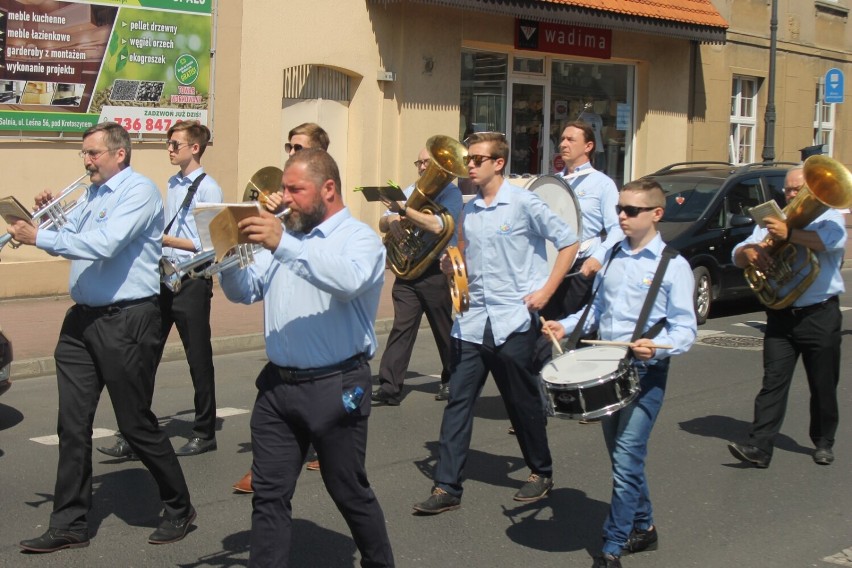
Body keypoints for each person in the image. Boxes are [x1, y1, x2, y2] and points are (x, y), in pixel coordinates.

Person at [10, 122, 195, 552]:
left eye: (93, 153)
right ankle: (70, 522)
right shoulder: (91, 194)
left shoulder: (139, 192)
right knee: (72, 425)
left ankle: (179, 505)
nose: (87, 161)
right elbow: (70, 241)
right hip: (82, 322)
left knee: (134, 422)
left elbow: (105, 244)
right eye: (84, 154)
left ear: (119, 155)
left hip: (127, 318)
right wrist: (51, 216)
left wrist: (39, 235)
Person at [218, 148, 395, 567]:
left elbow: (348, 280)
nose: (285, 197)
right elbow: (246, 292)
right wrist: (227, 255)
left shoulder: (359, 239)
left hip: (335, 384)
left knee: (347, 490)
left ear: (327, 189)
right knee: (269, 494)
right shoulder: (284, 236)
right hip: (279, 387)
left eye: (295, 189)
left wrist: (282, 243)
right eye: (284, 188)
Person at [412, 131, 579, 515]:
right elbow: (466, 254)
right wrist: (452, 266)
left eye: (476, 159)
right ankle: (447, 487)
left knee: (520, 401)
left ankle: (541, 469)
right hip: (470, 321)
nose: (468, 165)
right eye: (468, 159)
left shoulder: (523, 203)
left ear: (498, 163)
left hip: (512, 319)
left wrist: (546, 292)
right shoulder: (468, 210)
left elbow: (569, 242)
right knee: (458, 402)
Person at [543, 179, 697, 568]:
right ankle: (644, 527)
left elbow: (685, 329)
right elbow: (597, 311)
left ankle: (612, 547)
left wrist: (659, 346)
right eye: (620, 210)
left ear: (656, 214)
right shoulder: (612, 255)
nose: (622, 217)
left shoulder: (673, 266)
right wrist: (567, 324)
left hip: (646, 375)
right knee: (622, 459)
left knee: (627, 458)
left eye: (631, 211)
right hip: (608, 372)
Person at [97, 121, 223, 460]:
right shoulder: (171, 182)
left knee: (198, 359)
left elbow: (208, 245)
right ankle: (133, 432)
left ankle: (204, 431)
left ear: (194, 148)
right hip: (165, 277)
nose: (169, 148)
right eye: (168, 143)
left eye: (175, 143)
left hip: (193, 280)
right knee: (144, 358)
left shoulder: (209, 188)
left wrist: (164, 239)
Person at [232, 122, 330, 493]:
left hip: (323, 328)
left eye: (298, 147)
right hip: (286, 325)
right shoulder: (285, 199)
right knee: (278, 403)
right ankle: (266, 469)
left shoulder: (323, 202)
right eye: (288, 146)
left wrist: (286, 216)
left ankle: (327, 449)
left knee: (347, 481)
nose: (289, 153)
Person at [728, 165, 846, 469]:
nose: (790, 195)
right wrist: (751, 254)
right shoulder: (773, 219)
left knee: (822, 383)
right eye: (788, 190)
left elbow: (830, 242)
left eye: (797, 190)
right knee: (773, 382)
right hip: (781, 314)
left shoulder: (829, 216)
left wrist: (791, 234)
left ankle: (823, 441)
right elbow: (738, 254)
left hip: (819, 313)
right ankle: (759, 446)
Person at [371, 147, 463, 405]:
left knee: (443, 327)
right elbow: (383, 221)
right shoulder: (411, 190)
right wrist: (393, 222)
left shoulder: (451, 193)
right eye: (420, 162)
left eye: (427, 163)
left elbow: (438, 225)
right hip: (409, 268)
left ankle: (453, 378)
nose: (422, 168)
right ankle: (390, 387)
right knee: (402, 326)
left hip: (436, 268)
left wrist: (404, 212)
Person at [542, 120, 622, 322]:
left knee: (577, 332)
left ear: (588, 146)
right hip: (552, 265)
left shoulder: (602, 184)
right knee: (545, 329)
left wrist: (599, 256)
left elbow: (617, 228)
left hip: (582, 268)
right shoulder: (553, 182)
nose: (563, 144)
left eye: (570, 139)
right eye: (562, 139)